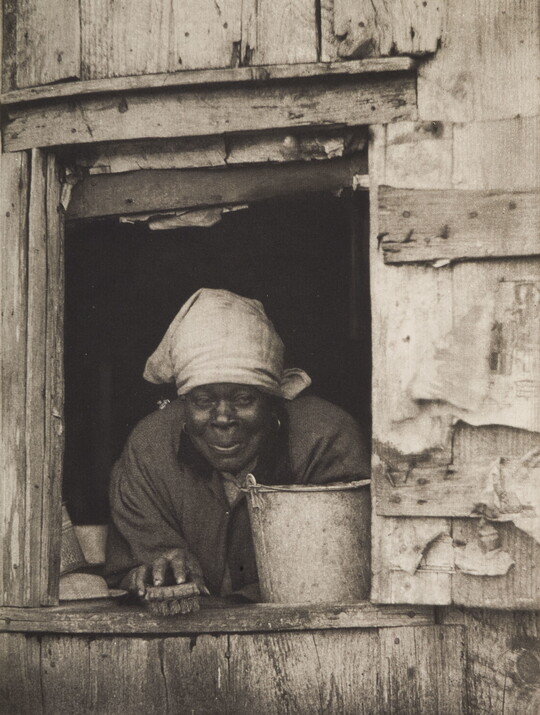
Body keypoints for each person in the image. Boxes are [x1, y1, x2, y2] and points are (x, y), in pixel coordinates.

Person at [105, 289, 370, 601]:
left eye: (243, 399)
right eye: (203, 401)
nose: (222, 418)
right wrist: (156, 572)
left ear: (273, 401)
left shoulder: (325, 439)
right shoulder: (151, 449)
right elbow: (135, 566)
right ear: (184, 405)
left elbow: (341, 572)